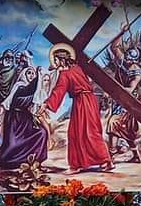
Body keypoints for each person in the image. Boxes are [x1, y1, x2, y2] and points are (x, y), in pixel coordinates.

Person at [39, 44, 114, 174]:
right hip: (90, 100)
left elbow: (58, 91)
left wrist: (46, 104)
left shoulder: (64, 74)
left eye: (55, 60)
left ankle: (80, 165)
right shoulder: (78, 68)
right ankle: (99, 162)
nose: (53, 62)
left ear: (61, 60)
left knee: (80, 132)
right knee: (89, 131)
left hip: (82, 102)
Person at [0, 50, 49, 180]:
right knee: (12, 145)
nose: (31, 75)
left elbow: (36, 94)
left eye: (32, 74)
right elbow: (12, 100)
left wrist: (37, 75)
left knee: (42, 133)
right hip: (15, 120)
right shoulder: (20, 86)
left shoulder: (31, 88)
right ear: (23, 74)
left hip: (26, 119)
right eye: (29, 73)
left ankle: (36, 162)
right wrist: (38, 74)